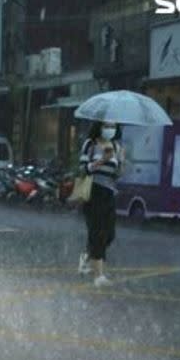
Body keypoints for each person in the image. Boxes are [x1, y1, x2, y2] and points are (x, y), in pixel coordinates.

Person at [78, 121, 123, 287]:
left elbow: (117, 175)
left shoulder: (116, 147)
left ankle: (87, 256)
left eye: (113, 126)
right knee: (98, 233)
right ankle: (99, 275)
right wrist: (102, 160)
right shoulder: (90, 145)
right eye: (106, 125)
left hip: (109, 194)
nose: (109, 129)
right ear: (99, 126)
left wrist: (121, 162)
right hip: (93, 192)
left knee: (109, 234)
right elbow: (82, 170)